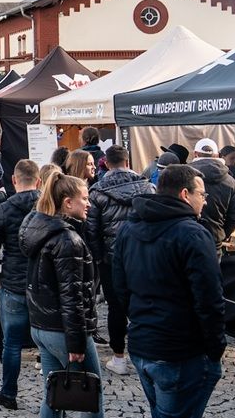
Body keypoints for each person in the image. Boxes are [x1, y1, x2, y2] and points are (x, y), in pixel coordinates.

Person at [114, 164, 224, 418]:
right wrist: (215, 347)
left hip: (145, 343)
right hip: (178, 350)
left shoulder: (128, 229)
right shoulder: (193, 234)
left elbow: (120, 287)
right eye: (202, 195)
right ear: (185, 194)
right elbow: (209, 299)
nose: (205, 202)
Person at [21, 170, 101, 418]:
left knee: (54, 394)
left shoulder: (43, 229)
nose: (89, 204)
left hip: (42, 325)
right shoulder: (67, 239)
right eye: (85, 198)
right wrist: (76, 343)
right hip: (62, 330)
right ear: (68, 202)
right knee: (91, 393)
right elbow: (71, 295)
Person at [86, 145, 155, 375]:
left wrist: (98, 258)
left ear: (106, 163)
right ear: (127, 161)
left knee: (115, 307)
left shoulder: (97, 191)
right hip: (143, 255)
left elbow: (92, 230)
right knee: (145, 302)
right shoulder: (148, 187)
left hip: (111, 258)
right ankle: (146, 353)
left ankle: (119, 357)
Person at [0, 159, 41, 411]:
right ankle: (57, 393)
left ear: (15, 180)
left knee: (12, 343)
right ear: (39, 181)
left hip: (14, 283)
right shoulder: (48, 206)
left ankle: (9, 393)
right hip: (43, 284)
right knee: (48, 342)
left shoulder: (4, 209)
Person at [187, 139, 235, 246]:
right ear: (217, 155)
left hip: (185, 240)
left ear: (195, 154)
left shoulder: (182, 177)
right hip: (214, 242)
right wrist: (221, 235)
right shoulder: (230, 181)